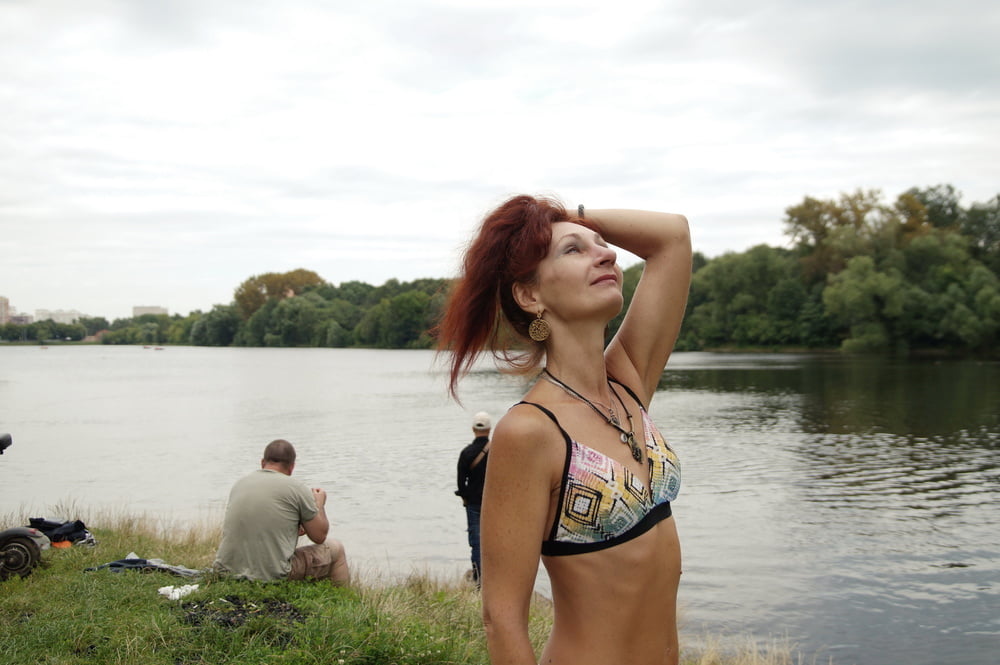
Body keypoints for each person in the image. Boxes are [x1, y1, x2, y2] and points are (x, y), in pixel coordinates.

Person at [436, 196, 690, 665]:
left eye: (603, 245)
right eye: (573, 251)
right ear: (530, 295)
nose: (607, 253)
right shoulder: (530, 431)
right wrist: (551, 227)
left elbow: (671, 237)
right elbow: (502, 617)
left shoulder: (629, 382)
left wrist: (574, 220)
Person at [214, 439, 350, 584]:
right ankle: (344, 600)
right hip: (272, 576)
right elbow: (319, 536)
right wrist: (319, 504)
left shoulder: (240, 484)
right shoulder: (297, 488)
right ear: (292, 467)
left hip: (226, 572)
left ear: (262, 463)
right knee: (336, 549)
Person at [455, 410, 492, 586]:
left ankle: (479, 578)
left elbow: (461, 482)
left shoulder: (467, 453)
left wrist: (464, 498)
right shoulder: (499, 451)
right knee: (496, 539)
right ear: (490, 429)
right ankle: (496, 576)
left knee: (476, 541)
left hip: (474, 503)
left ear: (473, 429)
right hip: (495, 503)